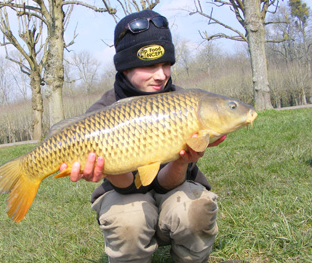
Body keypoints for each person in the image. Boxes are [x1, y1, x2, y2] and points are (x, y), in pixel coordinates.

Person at [60, 9, 226, 263]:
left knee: (196, 209)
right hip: (124, 192)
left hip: (174, 189)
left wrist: (182, 160)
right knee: (129, 221)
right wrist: (107, 169)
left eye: (166, 64)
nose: (161, 75)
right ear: (125, 68)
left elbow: (165, 183)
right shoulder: (100, 114)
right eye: (149, 66)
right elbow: (127, 187)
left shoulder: (187, 104)